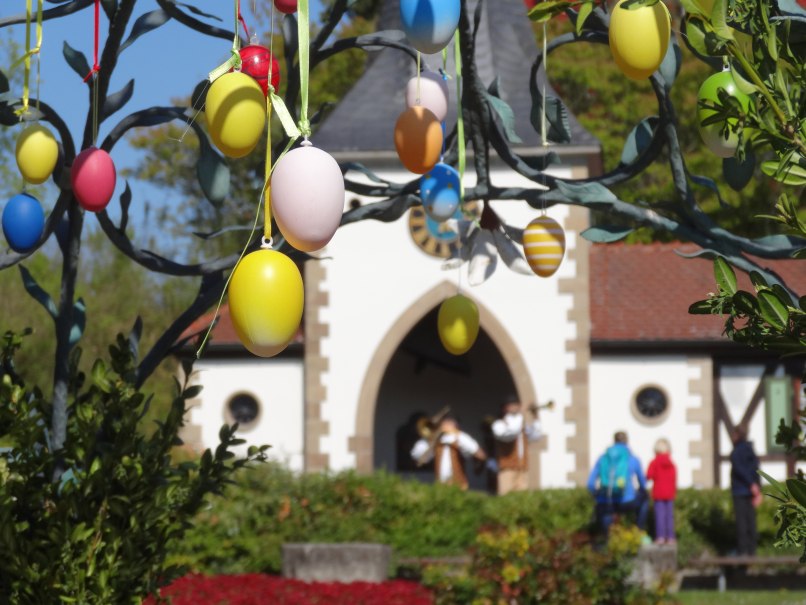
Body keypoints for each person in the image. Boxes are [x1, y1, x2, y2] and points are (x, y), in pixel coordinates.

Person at [587, 431, 648, 534]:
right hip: (626, 501)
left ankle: (606, 538)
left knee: (604, 510)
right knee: (644, 500)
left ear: (614, 441)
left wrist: (597, 494)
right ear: (627, 442)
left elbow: (590, 484)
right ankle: (639, 531)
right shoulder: (632, 459)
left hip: (606, 499)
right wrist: (639, 491)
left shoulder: (603, 458)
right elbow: (643, 484)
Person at [410, 415, 487, 489]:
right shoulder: (436, 441)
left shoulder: (461, 437)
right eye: (443, 422)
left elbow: (481, 455)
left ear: (454, 424)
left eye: (448, 422)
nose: (444, 425)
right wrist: (431, 438)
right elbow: (419, 458)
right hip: (440, 487)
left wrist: (456, 434)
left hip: (458, 486)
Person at [490, 399, 545, 494]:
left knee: (522, 500)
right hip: (507, 469)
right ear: (506, 408)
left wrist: (535, 416)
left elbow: (536, 436)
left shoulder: (521, 425)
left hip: (522, 468)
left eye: (517, 404)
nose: (516, 407)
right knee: (506, 499)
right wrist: (522, 413)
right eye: (513, 405)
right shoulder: (499, 424)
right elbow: (511, 433)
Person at [730, 425, 762, 555]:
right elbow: (756, 470)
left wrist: (751, 485)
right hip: (751, 491)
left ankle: (743, 551)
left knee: (742, 522)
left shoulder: (736, 452)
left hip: (740, 491)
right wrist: (757, 488)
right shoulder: (751, 450)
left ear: (737, 435)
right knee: (751, 521)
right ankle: (752, 550)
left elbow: (739, 470)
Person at [646, 438, 677, 545]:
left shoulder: (654, 462)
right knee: (669, 516)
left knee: (660, 516)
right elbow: (674, 478)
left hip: (658, 493)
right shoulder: (671, 463)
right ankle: (671, 537)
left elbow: (649, 476)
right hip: (669, 493)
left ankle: (660, 537)